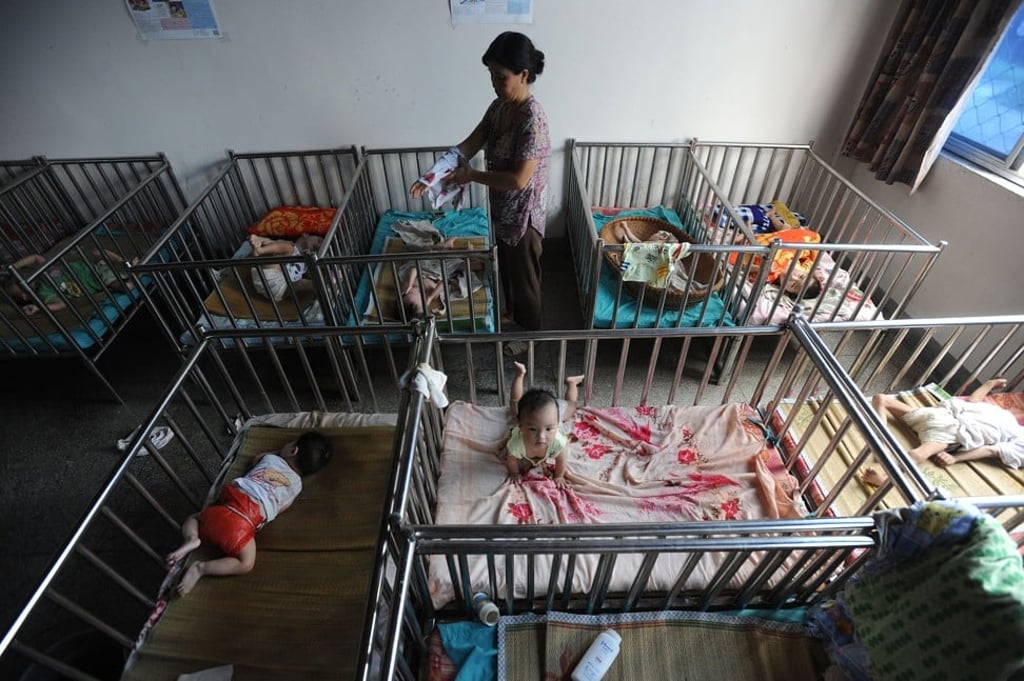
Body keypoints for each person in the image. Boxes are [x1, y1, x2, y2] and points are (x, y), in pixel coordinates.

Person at [409, 32, 550, 345]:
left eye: (501, 77)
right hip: (502, 210)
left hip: (523, 219)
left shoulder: (532, 119)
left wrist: (470, 176)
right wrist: (431, 175)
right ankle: (512, 315)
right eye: (491, 76)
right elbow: (469, 144)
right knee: (508, 274)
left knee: (525, 281)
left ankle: (530, 338)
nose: (494, 84)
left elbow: (518, 179)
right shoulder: (499, 107)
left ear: (523, 75)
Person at [165, 431, 333, 595]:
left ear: (292, 450)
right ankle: (201, 568)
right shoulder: (297, 486)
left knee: (194, 518)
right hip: (247, 520)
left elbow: (255, 460)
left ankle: (192, 538)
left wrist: (277, 453)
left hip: (231, 499)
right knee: (246, 564)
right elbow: (281, 508)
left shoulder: (271, 458)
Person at [861, 378, 1024, 485]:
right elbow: (973, 401)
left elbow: (992, 450)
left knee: (917, 454)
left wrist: (955, 457)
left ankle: (885, 479)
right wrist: (990, 384)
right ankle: (880, 442)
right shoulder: (1006, 416)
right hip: (941, 414)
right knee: (881, 399)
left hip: (953, 431)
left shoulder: (1019, 439)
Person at [503, 361, 584, 489]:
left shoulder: (557, 441)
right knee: (515, 405)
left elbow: (561, 459)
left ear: (556, 425)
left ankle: (572, 383)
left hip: (554, 411)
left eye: (548, 429)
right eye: (533, 429)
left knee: (572, 407)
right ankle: (520, 375)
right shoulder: (516, 443)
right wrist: (514, 473)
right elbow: (511, 459)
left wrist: (558, 476)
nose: (541, 437)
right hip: (533, 413)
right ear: (521, 426)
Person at [3, 249, 139, 316]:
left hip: (94, 267)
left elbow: (35, 258)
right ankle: (134, 278)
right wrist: (38, 308)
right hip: (98, 281)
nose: (26, 277)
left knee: (97, 252)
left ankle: (125, 262)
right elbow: (61, 304)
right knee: (120, 286)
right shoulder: (45, 294)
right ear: (25, 295)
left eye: (22, 276)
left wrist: (13, 268)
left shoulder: (42, 272)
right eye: (21, 281)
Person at [398, 237, 486, 318]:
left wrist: (409, 283)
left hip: (428, 268)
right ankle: (468, 255)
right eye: (424, 303)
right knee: (474, 266)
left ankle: (447, 247)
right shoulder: (429, 296)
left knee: (426, 252)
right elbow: (444, 282)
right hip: (441, 273)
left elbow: (414, 268)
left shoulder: (407, 288)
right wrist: (431, 297)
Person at [248, 233, 323, 302]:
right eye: (319, 241)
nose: (318, 246)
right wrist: (259, 239)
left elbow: (313, 273)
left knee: (303, 283)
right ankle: (259, 250)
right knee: (289, 248)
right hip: (268, 278)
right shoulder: (289, 244)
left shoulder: (306, 263)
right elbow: (270, 242)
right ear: (305, 235)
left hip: (282, 290)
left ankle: (325, 288)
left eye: (318, 249)